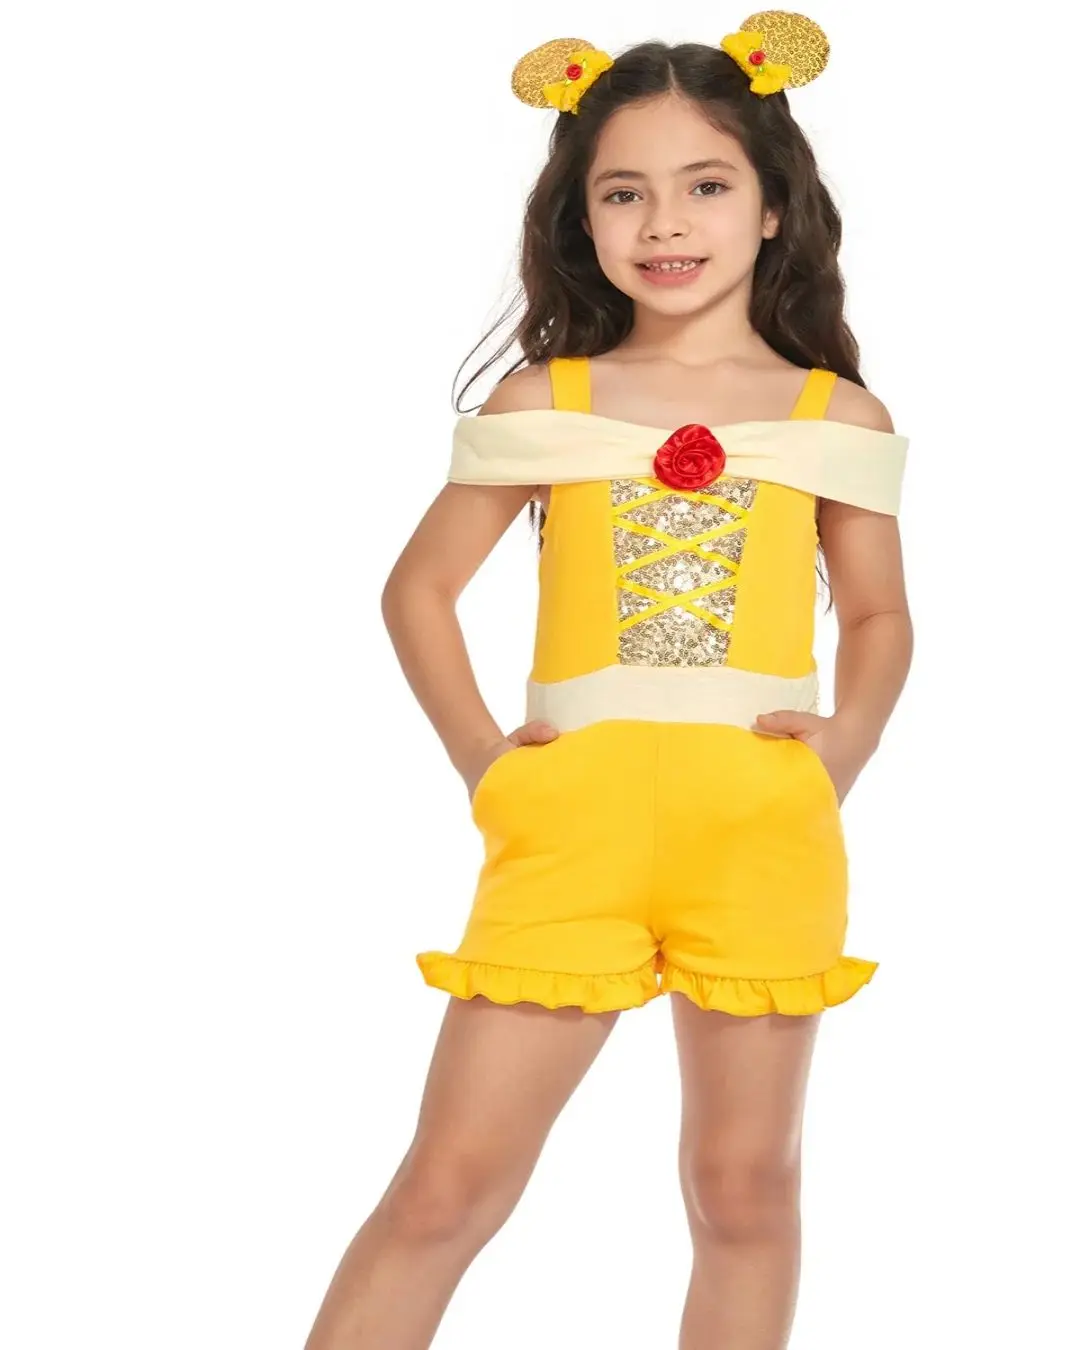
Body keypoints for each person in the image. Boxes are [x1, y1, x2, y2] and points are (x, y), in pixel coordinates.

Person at [305, 14, 913, 1349]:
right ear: (581, 218)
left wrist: (845, 745)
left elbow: (877, 613)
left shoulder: (832, 416)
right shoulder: (546, 400)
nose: (666, 221)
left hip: (762, 832)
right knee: (447, 1186)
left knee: (743, 1190)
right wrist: (483, 760)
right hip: (569, 832)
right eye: (623, 192)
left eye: (706, 184)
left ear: (772, 206)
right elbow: (417, 590)